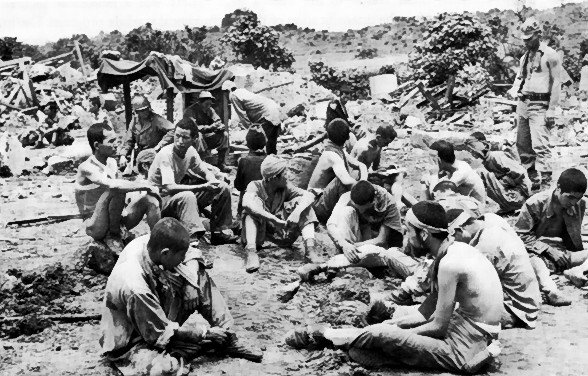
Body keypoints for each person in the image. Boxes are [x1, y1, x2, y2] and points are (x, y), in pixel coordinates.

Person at [286, 201, 503, 374]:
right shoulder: (452, 251)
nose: (406, 237)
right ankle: (363, 341)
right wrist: (395, 323)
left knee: (383, 334)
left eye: (409, 231)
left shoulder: (449, 264)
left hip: (466, 347)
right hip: (466, 326)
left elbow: (438, 326)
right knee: (381, 335)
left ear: (424, 234)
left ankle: (326, 335)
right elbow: (425, 312)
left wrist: (391, 330)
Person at [99, 218, 262, 376]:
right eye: (180, 257)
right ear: (165, 253)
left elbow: (191, 251)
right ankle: (181, 349)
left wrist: (191, 281)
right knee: (165, 369)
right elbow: (159, 331)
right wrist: (203, 333)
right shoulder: (135, 285)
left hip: (156, 316)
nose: (183, 259)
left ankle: (227, 337)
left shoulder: (153, 242)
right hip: (133, 340)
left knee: (199, 277)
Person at [147, 118, 237, 245]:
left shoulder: (190, 151)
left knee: (222, 187)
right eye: (177, 136)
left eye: (185, 138)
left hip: (176, 198)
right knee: (187, 195)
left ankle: (217, 233)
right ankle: (193, 241)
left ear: (194, 139)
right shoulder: (166, 155)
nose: (179, 141)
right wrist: (204, 186)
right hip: (160, 201)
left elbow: (203, 170)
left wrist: (212, 181)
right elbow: (169, 188)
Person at [447, 209, 541, 329]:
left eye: (453, 238)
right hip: (528, 297)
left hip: (516, 310)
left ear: (460, 230)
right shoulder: (491, 218)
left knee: (448, 307)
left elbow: (469, 285)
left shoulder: (487, 246)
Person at [74, 123, 161, 251]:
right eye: (111, 141)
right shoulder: (86, 167)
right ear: (97, 146)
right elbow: (113, 186)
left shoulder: (112, 162)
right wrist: (144, 186)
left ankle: (158, 242)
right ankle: (113, 236)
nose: (116, 144)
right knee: (117, 189)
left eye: (116, 140)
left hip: (115, 221)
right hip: (95, 225)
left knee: (150, 200)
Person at [514, 168, 588, 306]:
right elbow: (520, 235)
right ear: (558, 188)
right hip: (537, 255)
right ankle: (551, 291)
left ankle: (577, 271)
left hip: (564, 255)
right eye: (570, 197)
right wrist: (548, 250)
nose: (573, 203)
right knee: (535, 264)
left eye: (577, 198)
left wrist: (564, 253)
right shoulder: (534, 203)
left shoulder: (580, 204)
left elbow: (573, 238)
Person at [241, 155, 320, 272]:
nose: (288, 175)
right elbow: (246, 203)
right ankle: (251, 252)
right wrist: (273, 219)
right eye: (284, 172)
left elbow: (309, 195)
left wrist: (296, 213)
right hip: (260, 235)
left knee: (303, 204)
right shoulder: (255, 186)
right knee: (252, 208)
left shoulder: (285, 187)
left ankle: (310, 250)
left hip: (280, 233)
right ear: (274, 178)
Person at [508, 17, 562, 184]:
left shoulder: (550, 55)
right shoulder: (525, 57)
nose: (526, 42)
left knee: (540, 145)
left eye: (529, 38)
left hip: (540, 105)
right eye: (524, 39)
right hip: (523, 103)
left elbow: (556, 83)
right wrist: (514, 90)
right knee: (522, 144)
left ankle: (546, 180)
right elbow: (520, 78)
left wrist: (551, 109)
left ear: (538, 34)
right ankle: (531, 177)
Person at [326, 181, 403, 264]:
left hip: (374, 243)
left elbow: (381, 240)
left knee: (373, 252)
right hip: (355, 238)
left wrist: (353, 247)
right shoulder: (347, 196)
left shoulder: (388, 202)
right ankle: (346, 253)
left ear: (372, 202)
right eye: (356, 207)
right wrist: (344, 244)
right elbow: (331, 225)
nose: (359, 210)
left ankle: (349, 256)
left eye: (361, 208)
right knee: (346, 211)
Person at [309, 119, 368, 223]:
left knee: (355, 175)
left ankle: (357, 210)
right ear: (348, 137)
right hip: (317, 204)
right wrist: (365, 186)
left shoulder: (339, 151)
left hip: (324, 200)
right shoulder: (332, 155)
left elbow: (360, 165)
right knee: (341, 182)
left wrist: (364, 181)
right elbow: (346, 181)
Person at [465, 132, 531, 214]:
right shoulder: (486, 161)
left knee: (482, 173)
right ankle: (506, 207)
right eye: (469, 148)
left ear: (483, 144)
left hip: (519, 196)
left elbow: (521, 173)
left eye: (472, 146)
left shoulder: (496, 156)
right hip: (511, 195)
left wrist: (527, 197)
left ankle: (515, 204)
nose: (471, 151)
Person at [222, 80, 282, 155]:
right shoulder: (242, 91)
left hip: (267, 114)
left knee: (260, 141)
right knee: (271, 142)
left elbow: (242, 114)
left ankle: (260, 163)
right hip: (274, 109)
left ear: (227, 90)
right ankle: (272, 162)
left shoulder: (233, 95)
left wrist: (251, 130)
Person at [119, 95, 175, 170]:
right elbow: (129, 141)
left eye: (146, 109)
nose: (145, 112)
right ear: (137, 112)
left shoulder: (156, 119)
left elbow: (173, 130)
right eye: (141, 111)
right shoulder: (134, 121)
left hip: (155, 154)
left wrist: (160, 145)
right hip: (141, 154)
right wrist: (123, 155)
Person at [183, 91, 230, 172]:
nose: (208, 106)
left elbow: (217, 120)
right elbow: (192, 128)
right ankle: (200, 163)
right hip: (193, 140)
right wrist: (209, 127)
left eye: (210, 104)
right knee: (198, 135)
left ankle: (221, 163)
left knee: (224, 135)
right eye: (206, 104)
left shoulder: (209, 109)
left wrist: (219, 126)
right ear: (200, 103)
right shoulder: (190, 111)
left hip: (207, 138)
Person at [234, 126, 268, 214]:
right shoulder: (270, 160)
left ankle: (240, 215)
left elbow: (238, 186)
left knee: (244, 191)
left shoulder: (243, 161)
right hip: (267, 204)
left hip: (248, 204)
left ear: (247, 144)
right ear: (264, 142)